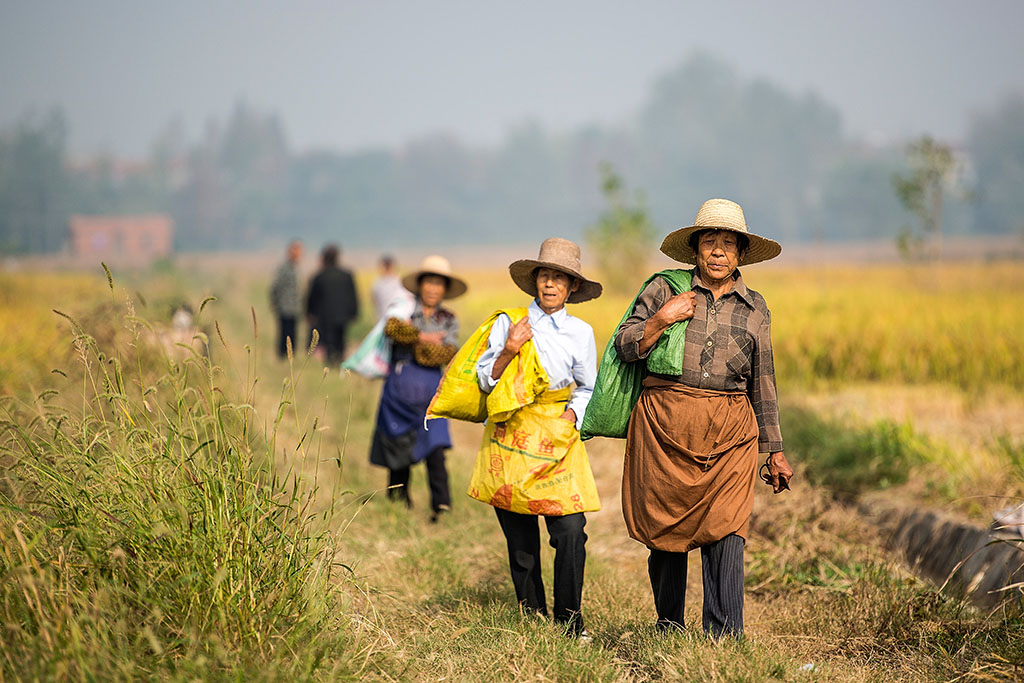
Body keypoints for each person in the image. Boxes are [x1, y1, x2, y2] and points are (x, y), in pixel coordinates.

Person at [613, 198, 794, 638]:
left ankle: (725, 636)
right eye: (709, 242)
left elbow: (763, 381)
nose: (718, 251)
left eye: (727, 244)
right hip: (665, 428)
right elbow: (625, 344)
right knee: (666, 529)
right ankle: (670, 625)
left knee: (729, 529)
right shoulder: (663, 289)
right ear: (695, 251)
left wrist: (775, 451)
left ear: (740, 254)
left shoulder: (755, 308)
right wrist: (661, 319)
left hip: (732, 431)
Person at [475, 238, 602, 638]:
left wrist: (571, 414)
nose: (550, 284)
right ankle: (532, 617)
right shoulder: (508, 324)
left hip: (558, 437)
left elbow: (587, 387)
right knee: (521, 537)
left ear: (572, 287)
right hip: (512, 434)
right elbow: (483, 378)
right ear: (534, 282)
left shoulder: (581, 333)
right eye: (545, 276)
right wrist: (509, 349)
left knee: (570, 531)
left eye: (559, 278)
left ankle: (570, 619)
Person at [369, 255, 465, 520]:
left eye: (439, 284)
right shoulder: (403, 309)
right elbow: (391, 329)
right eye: (429, 282)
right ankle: (398, 506)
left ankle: (441, 508)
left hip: (431, 396)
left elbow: (445, 354)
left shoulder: (448, 319)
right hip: (398, 392)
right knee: (397, 449)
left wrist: (413, 342)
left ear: (444, 289)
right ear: (420, 285)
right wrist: (423, 337)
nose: (433, 289)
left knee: (435, 449)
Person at [305, 244, 359, 364]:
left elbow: (312, 298)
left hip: (325, 316)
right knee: (341, 340)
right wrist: (354, 312)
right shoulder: (346, 275)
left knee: (328, 341)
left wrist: (310, 312)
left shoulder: (319, 276)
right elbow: (353, 296)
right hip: (342, 315)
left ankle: (330, 363)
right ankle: (340, 360)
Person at [269, 240, 303, 359]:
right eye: (296, 251)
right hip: (285, 307)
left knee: (293, 333)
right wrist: (275, 304)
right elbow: (275, 287)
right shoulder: (284, 268)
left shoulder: (295, 268)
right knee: (284, 332)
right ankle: (282, 355)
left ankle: (290, 356)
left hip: (294, 308)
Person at [371, 254, 405, 319]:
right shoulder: (377, 283)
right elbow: (374, 300)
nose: (387, 269)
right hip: (382, 317)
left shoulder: (399, 281)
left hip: (398, 318)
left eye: (388, 266)